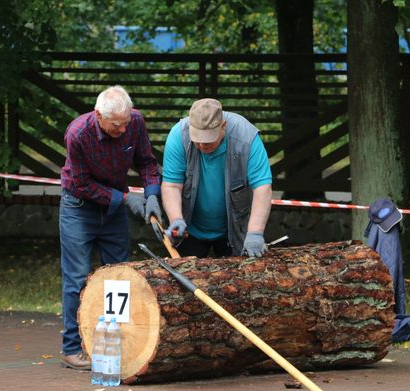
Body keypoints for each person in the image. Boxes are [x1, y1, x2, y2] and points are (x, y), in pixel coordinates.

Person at [59, 86, 162, 370]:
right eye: (115, 125)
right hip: (79, 207)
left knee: (118, 277)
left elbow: (146, 162)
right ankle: (71, 348)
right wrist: (126, 199)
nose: (122, 129)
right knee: (77, 277)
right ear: (98, 116)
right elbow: (81, 184)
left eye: (125, 123)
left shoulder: (135, 122)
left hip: (115, 207)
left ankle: (117, 344)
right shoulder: (78, 133)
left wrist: (152, 194)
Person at [162, 98, 272, 258]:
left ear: (223, 126)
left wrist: (255, 232)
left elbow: (262, 187)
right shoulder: (178, 135)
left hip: (235, 228)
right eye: (197, 139)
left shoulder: (247, 138)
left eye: (208, 140)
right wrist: (176, 219)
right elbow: (171, 185)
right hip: (191, 228)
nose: (201, 145)